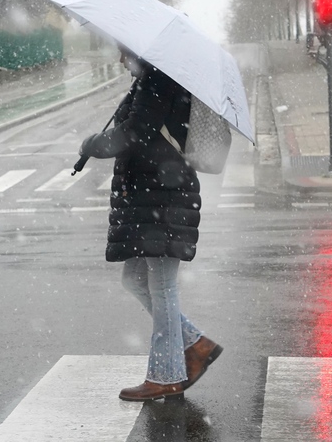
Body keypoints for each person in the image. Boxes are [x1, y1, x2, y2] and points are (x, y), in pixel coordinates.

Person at [78, 47, 224, 401]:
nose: (119, 59)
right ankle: (195, 344)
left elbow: (136, 132)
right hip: (149, 198)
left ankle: (166, 375)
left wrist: (94, 144)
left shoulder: (159, 79)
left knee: (162, 287)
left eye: (122, 52)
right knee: (135, 280)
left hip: (164, 197)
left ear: (138, 49)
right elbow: (138, 130)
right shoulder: (150, 79)